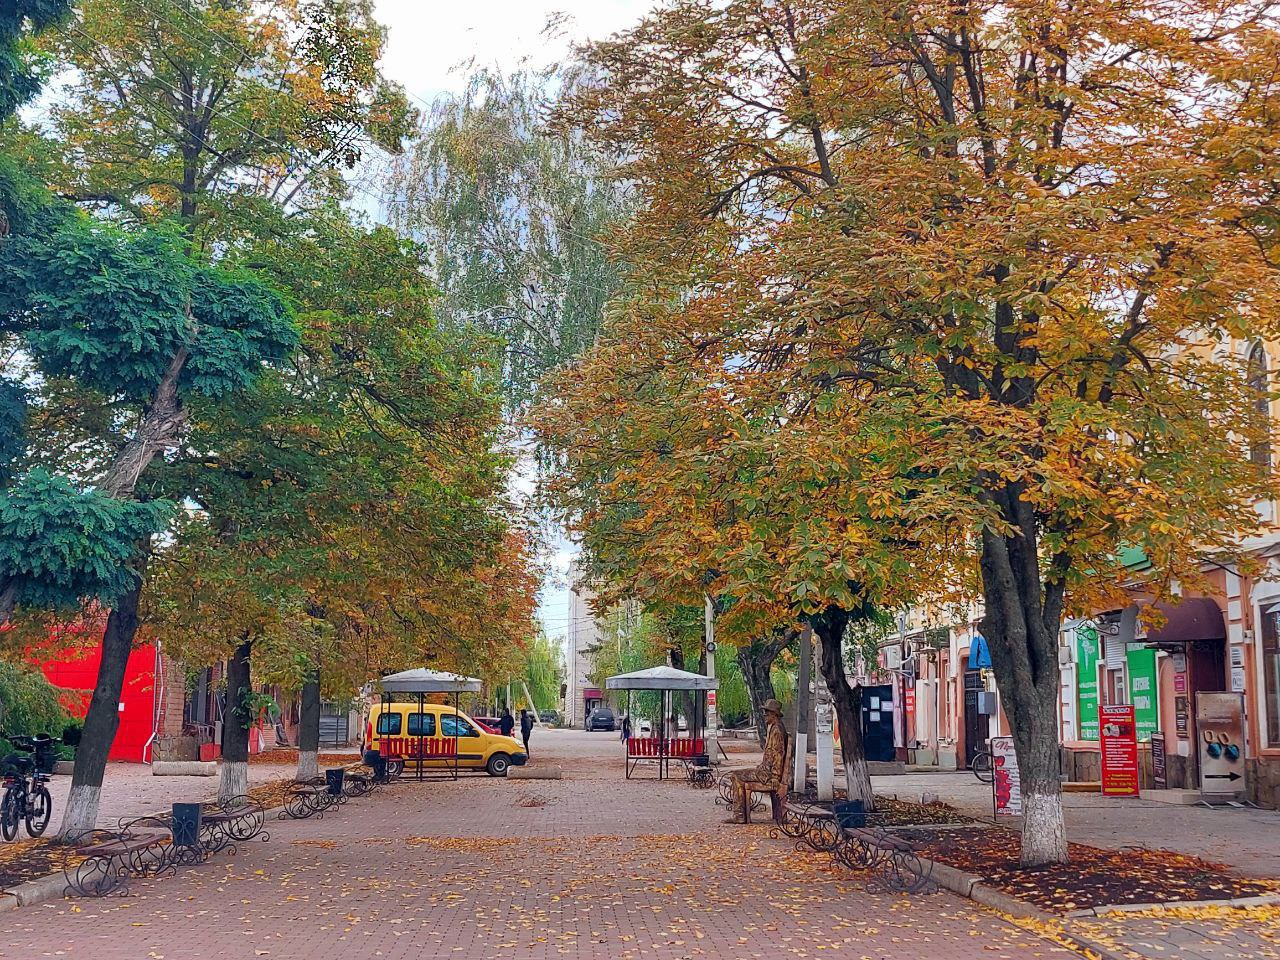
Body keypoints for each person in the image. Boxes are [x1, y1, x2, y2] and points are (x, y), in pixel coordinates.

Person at [726, 698, 788, 824]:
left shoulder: (777, 730)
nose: (764, 715)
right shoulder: (774, 728)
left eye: (767, 712)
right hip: (765, 771)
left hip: (768, 775)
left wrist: (775, 777)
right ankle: (740, 815)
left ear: (774, 714)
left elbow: (778, 755)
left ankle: (739, 816)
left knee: (736, 775)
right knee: (738, 775)